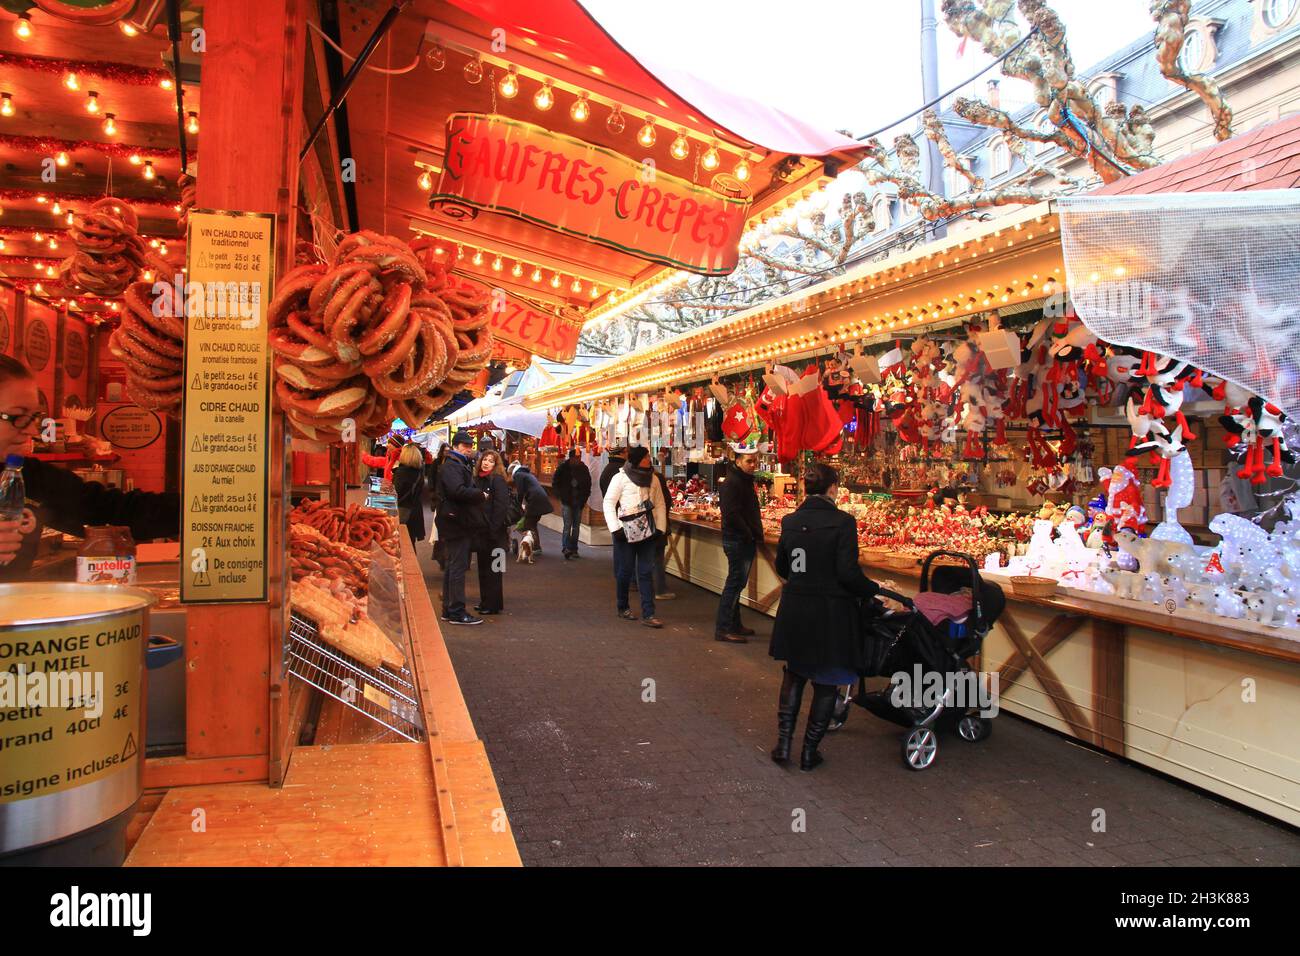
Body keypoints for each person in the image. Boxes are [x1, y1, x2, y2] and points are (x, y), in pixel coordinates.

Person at [0, 356, 179, 579]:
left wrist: (205, 510)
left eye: (34, 417)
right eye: (18, 416)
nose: (32, 431)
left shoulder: (31, 477)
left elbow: (110, 510)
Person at [769, 462, 879, 772]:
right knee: (827, 681)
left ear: (805, 488)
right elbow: (847, 572)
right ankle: (808, 752)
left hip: (797, 606)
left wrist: (804, 576)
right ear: (833, 488)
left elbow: (783, 566)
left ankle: (783, 744)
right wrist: (870, 588)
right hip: (831, 611)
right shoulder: (843, 522)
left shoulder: (790, 521)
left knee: (795, 672)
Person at [602, 445, 667, 628]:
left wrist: (661, 528)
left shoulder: (653, 479)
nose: (649, 460)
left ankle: (649, 613)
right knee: (625, 571)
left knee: (646, 572)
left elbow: (660, 504)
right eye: (646, 457)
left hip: (648, 532)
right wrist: (615, 528)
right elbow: (609, 503)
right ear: (638, 459)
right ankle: (623, 607)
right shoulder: (620, 478)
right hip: (625, 533)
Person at [434, 430, 487, 625]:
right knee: (457, 566)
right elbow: (457, 491)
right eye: (465, 446)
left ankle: (449, 609)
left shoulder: (456, 464)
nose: (468, 449)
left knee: (452, 565)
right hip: (456, 521)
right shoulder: (453, 466)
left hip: (454, 520)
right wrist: (479, 494)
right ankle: (457, 611)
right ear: (456, 446)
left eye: (470, 446)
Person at [715, 447, 762, 643]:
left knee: (736, 583)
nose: (753, 465)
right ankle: (723, 628)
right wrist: (749, 533)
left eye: (754, 461)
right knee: (734, 584)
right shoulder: (733, 483)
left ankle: (734, 624)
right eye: (749, 461)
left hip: (740, 538)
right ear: (738, 460)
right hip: (738, 540)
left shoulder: (741, 480)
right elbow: (732, 514)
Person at [472, 448, 512, 615]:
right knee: (483, 568)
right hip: (482, 533)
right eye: (485, 459)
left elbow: (501, 507)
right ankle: (485, 601)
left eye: (491, 461)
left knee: (495, 570)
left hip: (496, 534)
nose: (486, 463)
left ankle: (493, 604)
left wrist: (494, 530)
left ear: (496, 465)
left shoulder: (497, 480)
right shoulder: (479, 480)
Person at [551, 448, 591, 560]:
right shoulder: (563, 468)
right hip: (567, 501)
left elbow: (588, 485)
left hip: (578, 501)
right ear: (571, 457)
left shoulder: (583, 469)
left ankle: (574, 548)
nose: (578, 460)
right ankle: (566, 548)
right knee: (568, 525)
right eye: (576, 458)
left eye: (579, 457)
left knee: (576, 527)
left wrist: (584, 499)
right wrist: (560, 496)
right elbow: (555, 482)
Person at [508, 460, 553, 556]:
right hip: (540, 499)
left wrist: (518, 504)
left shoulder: (518, 475)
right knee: (532, 523)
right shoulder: (526, 474)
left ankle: (535, 547)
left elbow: (520, 492)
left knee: (528, 524)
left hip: (535, 500)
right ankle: (535, 547)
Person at [392, 442, 426, 546]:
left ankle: (409, 562)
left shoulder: (401, 473)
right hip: (414, 511)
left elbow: (396, 493)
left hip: (403, 511)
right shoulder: (419, 472)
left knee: (403, 543)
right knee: (410, 542)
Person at [649, 461, 675, 600]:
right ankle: (660, 589)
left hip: (645, 526)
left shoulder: (639, 479)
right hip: (658, 525)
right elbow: (666, 502)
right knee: (658, 558)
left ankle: (648, 588)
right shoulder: (657, 479)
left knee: (646, 558)